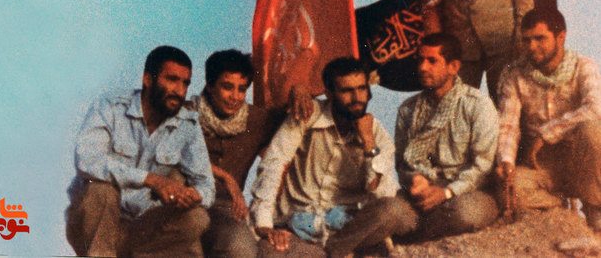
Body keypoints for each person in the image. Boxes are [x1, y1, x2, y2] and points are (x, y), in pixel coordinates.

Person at [65, 45, 215, 257]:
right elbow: (87, 160)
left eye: (185, 83)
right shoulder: (110, 107)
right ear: (147, 79)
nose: (180, 91)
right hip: (93, 225)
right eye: (172, 80)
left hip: (140, 229)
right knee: (100, 189)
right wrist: (151, 180)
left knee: (196, 217)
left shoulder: (187, 124)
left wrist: (194, 196)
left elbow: (206, 185)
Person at [251, 57, 408, 258]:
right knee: (268, 253)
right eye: (347, 91)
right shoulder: (307, 114)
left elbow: (383, 195)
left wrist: (369, 143)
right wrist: (264, 225)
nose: (357, 98)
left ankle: (334, 251)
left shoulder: (377, 134)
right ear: (329, 93)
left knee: (395, 210)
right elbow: (274, 163)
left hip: (345, 229)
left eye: (361, 89)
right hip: (297, 225)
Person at [495, 8, 601, 229]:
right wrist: (506, 161)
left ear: (560, 37)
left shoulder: (583, 66)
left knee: (592, 129)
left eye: (540, 38)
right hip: (543, 163)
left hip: (583, 160)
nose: (532, 46)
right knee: (510, 191)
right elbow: (508, 125)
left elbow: (595, 108)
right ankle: (559, 208)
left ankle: (595, 209)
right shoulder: (516, 76)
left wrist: (546, 134)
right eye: (526, 40)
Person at [394, 33, 499, 239]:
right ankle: (418, 226)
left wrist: (446, 193)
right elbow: (402, 163)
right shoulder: (408, 109)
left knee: (465, 214)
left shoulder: (477, 105)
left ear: (454, 67)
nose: (422, 67)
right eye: (420, 60)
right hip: (425, 191)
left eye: (432, 61)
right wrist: (416, 179)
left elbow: (483, 167)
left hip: (467, 192)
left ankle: (414, 231)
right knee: (391, 209)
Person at [191, 50, 278, 258]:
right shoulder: (186, 114)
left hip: (225, 208)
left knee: (241, 249)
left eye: (242, 89)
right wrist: (225, 177)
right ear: (210, 85)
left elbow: (292, 119)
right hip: (186, 202)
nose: (235, 97)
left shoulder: (256, 120)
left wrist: (298, 91)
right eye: (227, 87)